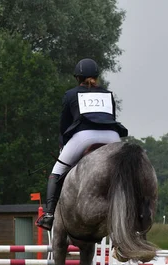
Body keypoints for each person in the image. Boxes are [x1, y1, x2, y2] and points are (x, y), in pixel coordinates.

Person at [35, 58, 128, 230]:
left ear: (77, 78)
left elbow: (64, 125)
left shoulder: (71, 94)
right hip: (112, 136)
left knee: (57, 171)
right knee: (124, 173)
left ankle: (49, 215)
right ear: (96, 77)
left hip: (85, 136)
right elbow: (111, 118)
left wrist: (62, 143)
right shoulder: (107, 94)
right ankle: (132, 213)